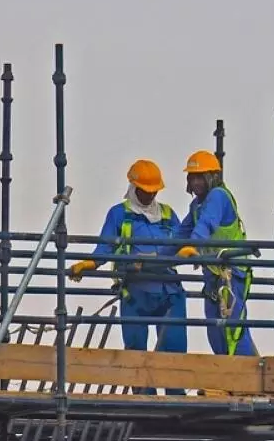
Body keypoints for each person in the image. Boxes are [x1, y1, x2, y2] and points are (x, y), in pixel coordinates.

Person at [68, 159, 189, 394]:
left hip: (169, 292)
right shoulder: (119, 215)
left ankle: (176, 400)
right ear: (134, 187)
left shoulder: (167, 214)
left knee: (174, 350)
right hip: (135, 293)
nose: (149, 196)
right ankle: (146, 403)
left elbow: (183, 242)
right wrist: (89, 264)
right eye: (145, 191)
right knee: (136, 354)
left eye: (153, 191)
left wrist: (189, 251)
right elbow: (104, 248)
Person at [174, 151, 258, 357]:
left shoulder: (219, 196)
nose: (195, 182)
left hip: (232, 274)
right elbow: (177, 238)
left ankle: (243, 379)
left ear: (212, 177)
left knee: (232, 330)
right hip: (213, 277)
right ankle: (225, 378)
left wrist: (193, 246)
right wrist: (151, 261)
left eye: (200, 177)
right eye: (192, 177)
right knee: (215, 328)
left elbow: (207, 223)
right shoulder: (196, 206)